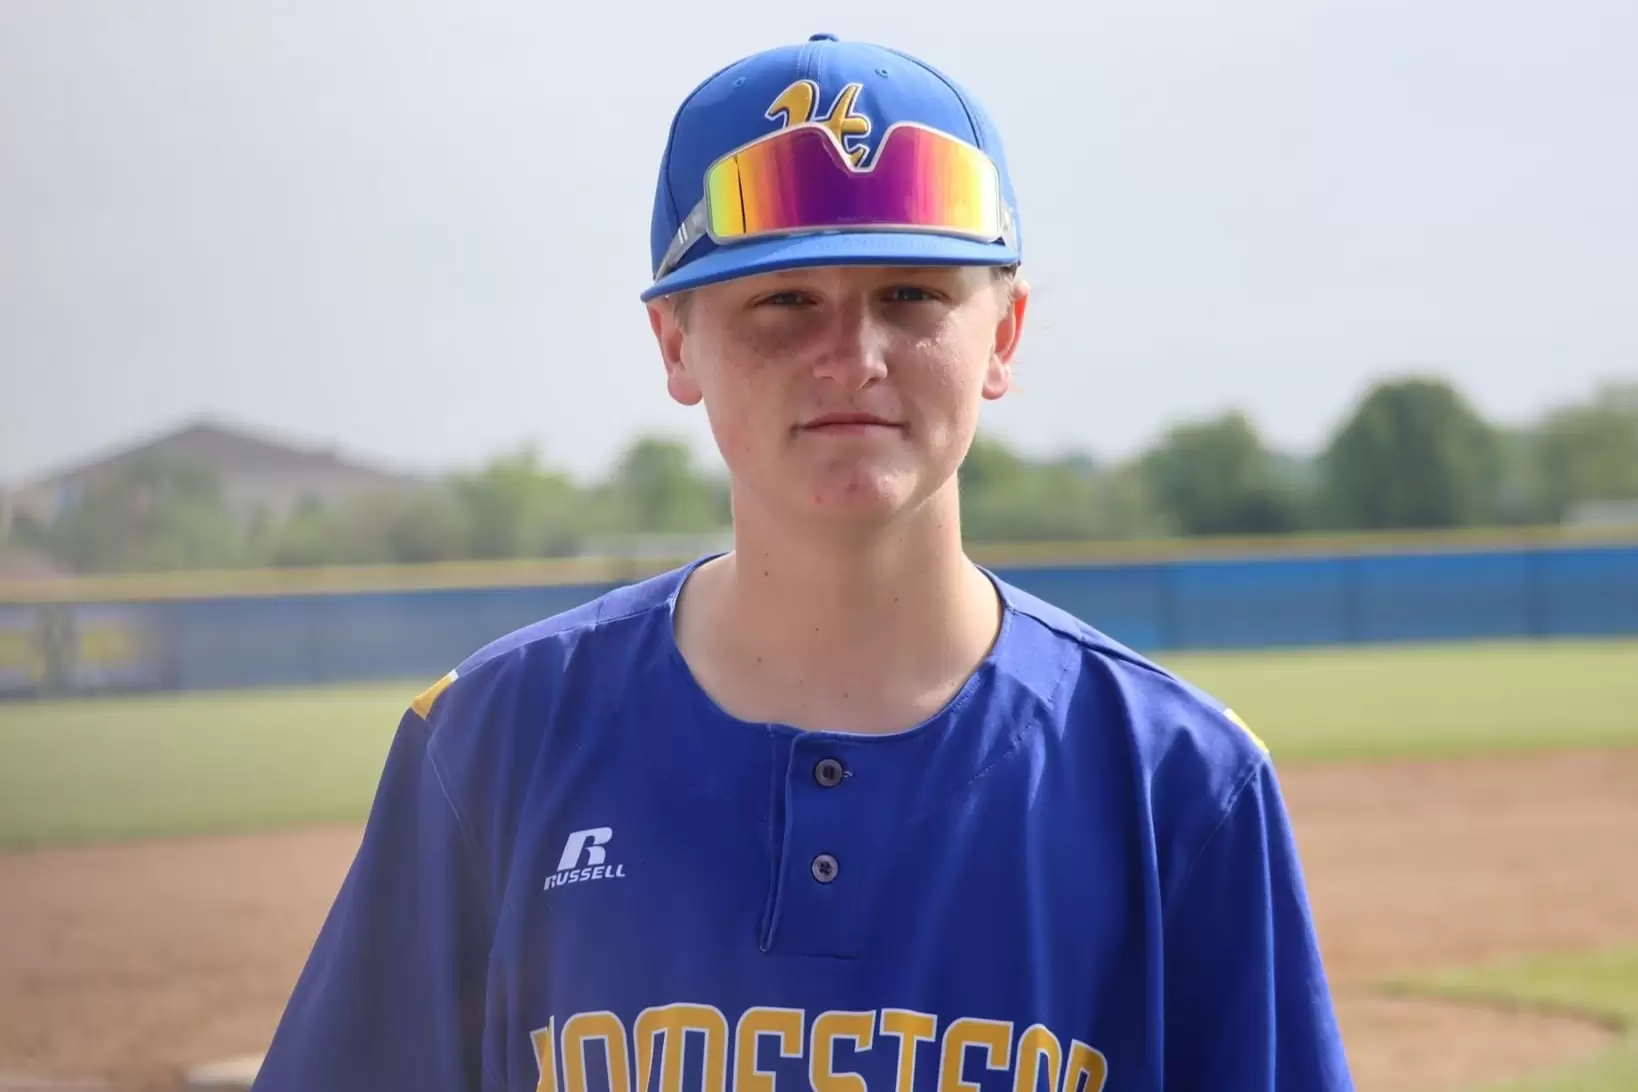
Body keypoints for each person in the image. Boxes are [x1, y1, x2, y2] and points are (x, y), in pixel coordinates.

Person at [252, 33, 1355, 1092]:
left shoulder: (1178, 783)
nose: (852, 356)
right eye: (783, 300)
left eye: (911, 295)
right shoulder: (494, 744)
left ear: (1005, 336)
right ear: (675, 343)